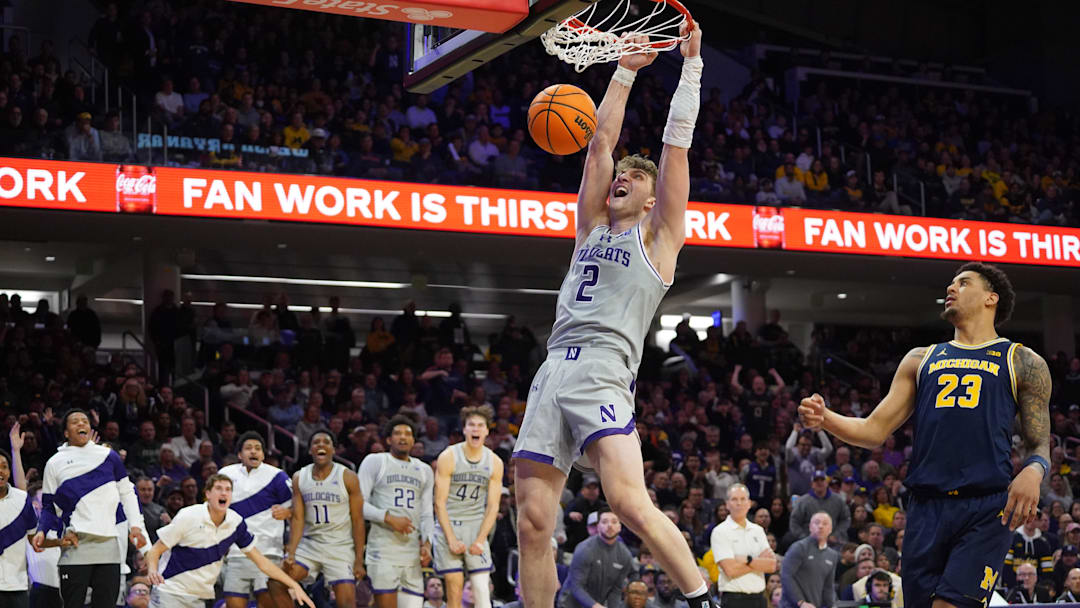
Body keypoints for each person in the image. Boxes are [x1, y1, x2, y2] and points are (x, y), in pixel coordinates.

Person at [513, 23, 713, 608]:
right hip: (553, 368)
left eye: (636, 176)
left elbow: (676, 148)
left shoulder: (659, 239)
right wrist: (625, 70)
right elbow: (599, 143)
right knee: (531, 522)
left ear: (652, 199)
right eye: (621, 176)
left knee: (627, 502)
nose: (622, 177)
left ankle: (701, 598)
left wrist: (691, 66)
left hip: (604, 369)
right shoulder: (591, 227)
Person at [800, 262, 1050, 608]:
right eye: (951, 283)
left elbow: (1040, 441)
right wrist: (826, 418)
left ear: (991, 298)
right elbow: (873, 431)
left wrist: (1034, 470)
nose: (951, 288)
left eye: (964, 283)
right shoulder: (921, 358)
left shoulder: (1022, 361)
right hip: (925, 506)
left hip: (986, 507)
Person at [33, 409, 148, 608]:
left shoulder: (109, 456)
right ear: (66, 432)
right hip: (75, 545)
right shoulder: (54, 463)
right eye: (75, 422)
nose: (81, 424)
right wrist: (42, 530)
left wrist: (135, 526)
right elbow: (49, 506)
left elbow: (127, 492)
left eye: (85, 421)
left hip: (109, 545)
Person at [146, 473, 315, 607]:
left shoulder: (235, 523)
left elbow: (262, 562)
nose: (224, 493)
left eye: (228, 489)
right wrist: (153, 571)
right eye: (219, 488)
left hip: (198, 597)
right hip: (170, 591)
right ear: (208, 494)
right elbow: (155, 551)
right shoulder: (189, 516)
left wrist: (294, 585)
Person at [282, 430, 366, 607]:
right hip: (309, 544)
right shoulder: (299, 477)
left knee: (347, 603)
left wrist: (359, 560)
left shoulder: (348, 477)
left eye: (326, 442)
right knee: (276, 581)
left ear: (333, 450)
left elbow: (358, 520)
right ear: (310, 450)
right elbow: (297, 519)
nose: (321, 445)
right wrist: (291, 552)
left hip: (339, 546)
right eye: (316, 442)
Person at [359, 415, 435, 608]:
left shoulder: (424, 470)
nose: (403, 437)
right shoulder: (376, 461)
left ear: (414, 440)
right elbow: (358, 504)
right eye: (398, 433)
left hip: (412, 553)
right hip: (383, 550)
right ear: (388, 439)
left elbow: (427, 513)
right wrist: (388, 518)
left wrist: (427, 544)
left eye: (408, 434)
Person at [434, 405, 504, 608]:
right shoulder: (448, 456)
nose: (476, 429)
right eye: (471, 425)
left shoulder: (494, 461)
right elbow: (439, 502)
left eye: (480, 425)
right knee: (454, 590)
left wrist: (481, 540)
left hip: (476, 525)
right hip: (450, 524)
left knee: (482, 592)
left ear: (487, 431)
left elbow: (493, 506)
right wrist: (451, 539)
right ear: (464, 429)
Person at [219, 432, 292, 608]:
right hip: (236, 553)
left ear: (263, 454)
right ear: (239, 454)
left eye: (258, 448)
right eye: (248, 448)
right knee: (233, 603)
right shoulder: (225, 474)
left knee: (267, 602)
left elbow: (299, 509)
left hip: (268, 553)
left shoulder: (278, 476)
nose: (253, 451)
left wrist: (288, 512)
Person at [710, 484, 776, 608]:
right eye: (734, 499)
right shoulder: (720, 532)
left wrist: (747, 560)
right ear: (727, 504)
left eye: (743, 499)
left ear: (749, 503)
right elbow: (730, 570)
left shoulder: (758, 530)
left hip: (760, 598)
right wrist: (759, 562)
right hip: (734, 599)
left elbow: (771, 565)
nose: (739, 503)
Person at [558, 507, 634, 608]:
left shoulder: (624, 554)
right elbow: (576, 585)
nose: (609, 525)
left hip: (597, 603)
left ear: (620, 527)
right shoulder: (584, 549)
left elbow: (616, 590)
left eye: (614, 522)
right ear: (598, 526)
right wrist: (595, 605)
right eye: (604, 522)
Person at [0, 449, 36, 608]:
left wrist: (60, 542)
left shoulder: (22, 499)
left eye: (4, 466)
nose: (1, 471)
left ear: (9, 471)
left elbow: (34, 537)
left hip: (17, 586)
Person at [779, 512, 838, 608]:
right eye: (817, 523)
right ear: (810, 527)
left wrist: (831, 605)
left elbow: (828, 586)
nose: (820, 526)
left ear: (830, 529)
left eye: (825, 523)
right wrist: (800, 602)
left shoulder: (832, 555)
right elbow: (786, 575)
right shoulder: (799, 547)